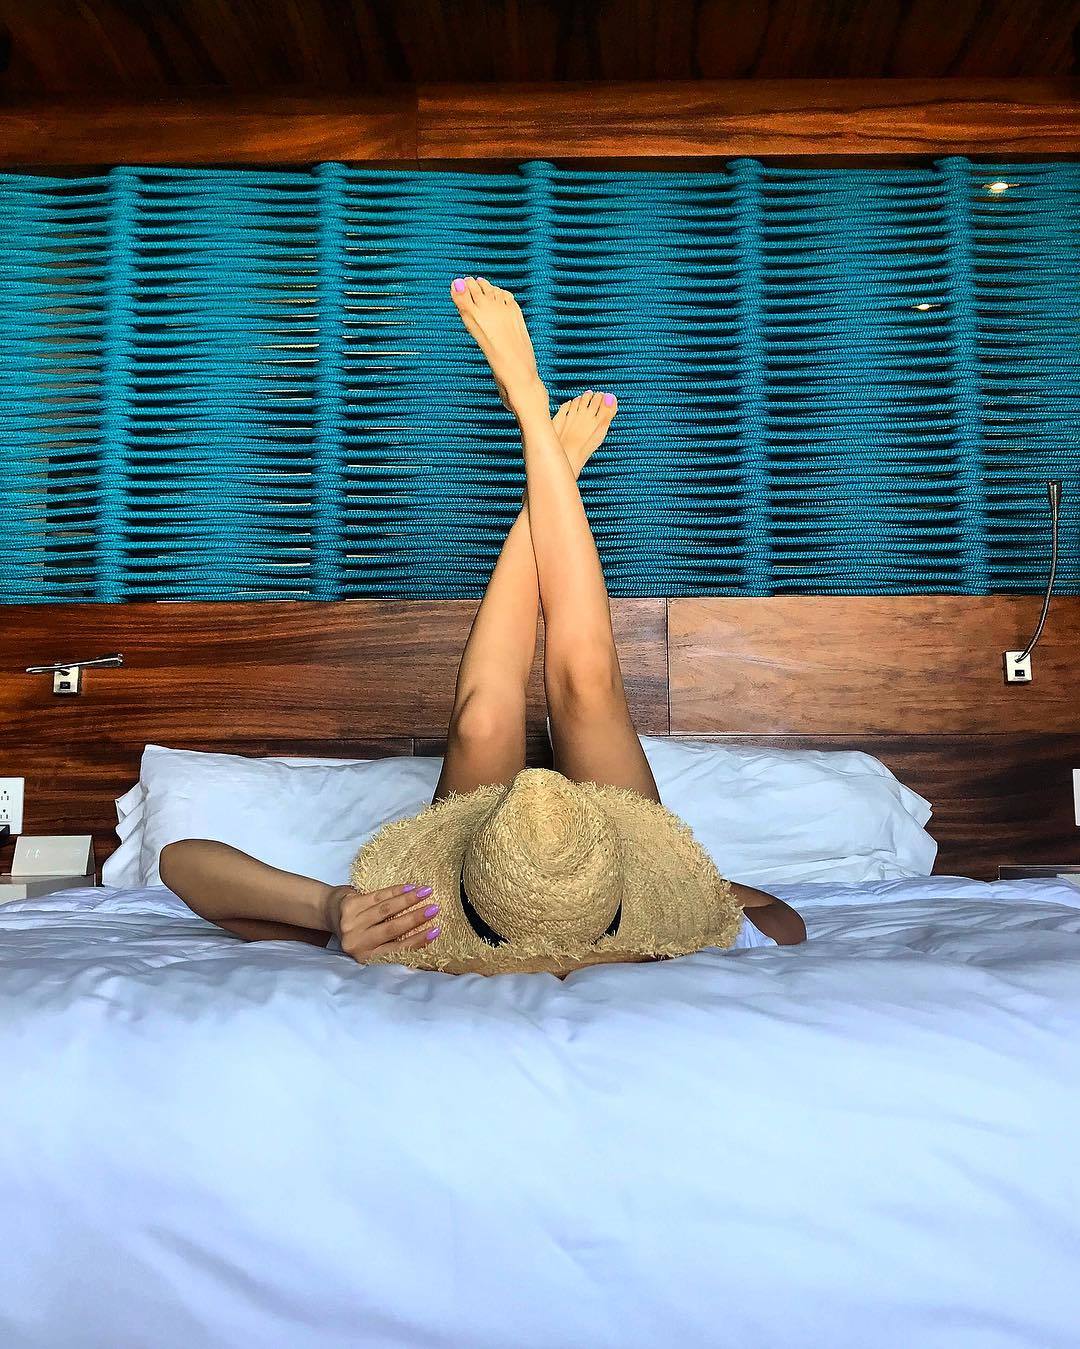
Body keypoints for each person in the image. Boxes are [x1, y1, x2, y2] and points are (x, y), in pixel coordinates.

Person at [162, 277, 806, 975]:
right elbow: (784, 920)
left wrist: (331, 908)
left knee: (479, 721)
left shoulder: (413, 933)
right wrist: (659, 915)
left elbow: (180, 863)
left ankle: (546, 453)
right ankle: (538, 430)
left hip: (512, 899)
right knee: (586, 685)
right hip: (602, 879)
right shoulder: (660, 930)